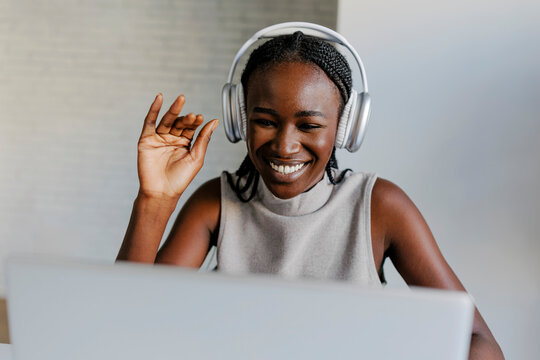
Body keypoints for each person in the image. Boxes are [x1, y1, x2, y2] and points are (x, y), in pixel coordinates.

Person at [116, 29, 504, 359]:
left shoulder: (380, 206)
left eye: (309, 125)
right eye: (265, 121)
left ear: (344, 128)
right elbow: (126, 323)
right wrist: (156, 198)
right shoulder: (215, 203)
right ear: (240, 120)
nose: (285, 146)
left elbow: (480, 342)